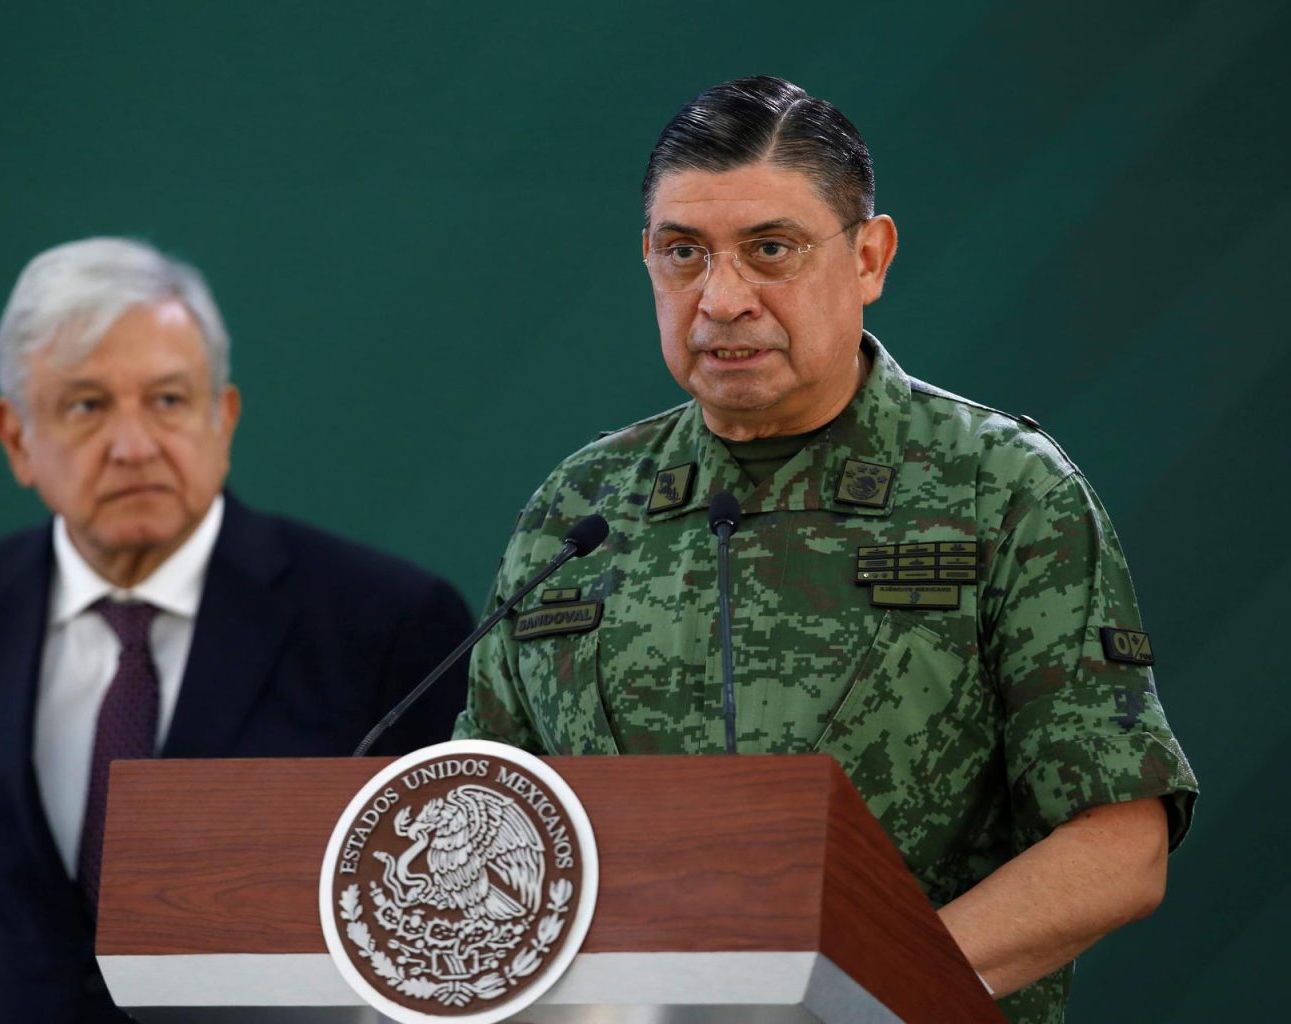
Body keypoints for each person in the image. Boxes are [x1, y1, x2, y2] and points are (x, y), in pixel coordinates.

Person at [454, 76, 1196, 1023]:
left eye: (772, 250)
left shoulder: (1002, 489)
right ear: (647, 259)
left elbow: (1117, 844)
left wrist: (853, 992)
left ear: (870, 258)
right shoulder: (581, 506)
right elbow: (483, 809)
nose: (721, 300)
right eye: (684, 253)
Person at [0, 237, 473, 1024]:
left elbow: (444, 938)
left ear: (221, 418)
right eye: (86, 406)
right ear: (17, 437)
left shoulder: (387, 624)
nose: (133, 446)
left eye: (167, 400)